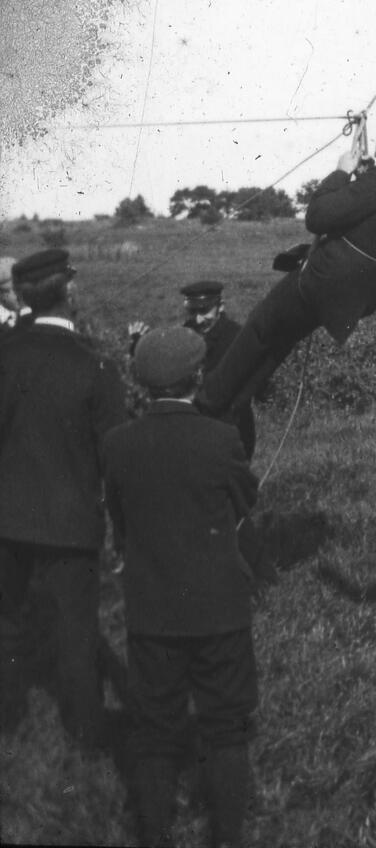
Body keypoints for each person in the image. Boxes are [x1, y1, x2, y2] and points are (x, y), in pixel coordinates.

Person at [197, 90, 376, 417]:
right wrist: (365, 181)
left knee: (260, 328)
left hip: (324, 280)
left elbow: (317, 217)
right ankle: (232, 412)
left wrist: (342, 173)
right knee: (278, 342)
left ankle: (206, 404)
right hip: (355, 298)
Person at [103, 327, 259, 848]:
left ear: (143, 384)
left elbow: (121, 525)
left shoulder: (118, 444)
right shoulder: (221, 439)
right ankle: (227, 837)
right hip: (220, 609)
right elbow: (245, 500)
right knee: (226, 727)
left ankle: (155, 835)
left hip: (153, 610)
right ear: (197, 378)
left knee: (154, 734)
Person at [0, 248, 126, 748]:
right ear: (70, 291)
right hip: (72, 526)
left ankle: (6, 721)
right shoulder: (97, 365)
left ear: (22, 295)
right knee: (77, 634)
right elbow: (115, 458)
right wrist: (124, 532)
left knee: (6, 625)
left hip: (5, 520)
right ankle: (86, 734)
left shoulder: (4, 354)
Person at [131, 281, 257, 458]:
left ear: (220, 306)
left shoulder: (237, 337)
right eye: (193, 311)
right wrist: (139, 345)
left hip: (231, 429)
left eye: (204, 311)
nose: (198, 319)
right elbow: (169, 368)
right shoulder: (186, 332)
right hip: (194, 430)